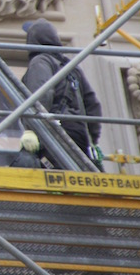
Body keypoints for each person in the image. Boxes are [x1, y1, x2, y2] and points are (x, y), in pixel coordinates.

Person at [22, 18, 103, 167]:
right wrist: (92, 140)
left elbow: (41, 96)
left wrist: (32, 129)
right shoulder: (72, 67)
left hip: (56, 132)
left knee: (39, 172)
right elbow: (93, 106)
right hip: (79, 135)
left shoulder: (41, 61)